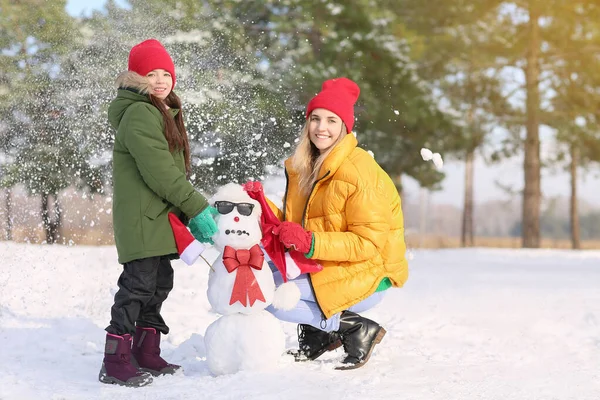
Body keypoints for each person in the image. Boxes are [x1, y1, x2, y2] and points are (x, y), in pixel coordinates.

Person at [264, 77, 408, 370]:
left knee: (267, 296)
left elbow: (368, 243)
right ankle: (320, 335)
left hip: (369, 271)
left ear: (345, 126)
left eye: (331, 120)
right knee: (256, 276)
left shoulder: (359, 171)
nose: (321, 127)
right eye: (315, 118)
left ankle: (353, 327)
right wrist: (258, 207)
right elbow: (296, 227)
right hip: (329, 261)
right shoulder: (306, 166)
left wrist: (310, 242)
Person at [99, 39, 218, 387]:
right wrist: (196, 206)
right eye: (151, 73)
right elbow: (160, 171)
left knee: (159, 284)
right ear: (137, 79)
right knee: (137, 286)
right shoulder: (139, 113)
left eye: (166, 72)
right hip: (142, 218)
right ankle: (115, 359)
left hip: (159, 217)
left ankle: (145, 351)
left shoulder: (161, 110)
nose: (161, 79)